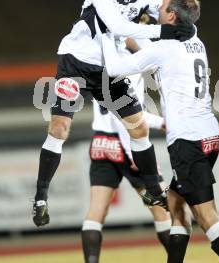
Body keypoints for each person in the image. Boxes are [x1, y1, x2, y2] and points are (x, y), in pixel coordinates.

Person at [32, 0, 193, 227]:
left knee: (139, 127)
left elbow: (170, 14)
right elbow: (119, 27)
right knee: (60, 128)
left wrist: (189, 28)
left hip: (109, 71)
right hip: (77, 63)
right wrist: (166, 31)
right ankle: (41, 197)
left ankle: (153, 191)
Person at [101, 0, 219, 263]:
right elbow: (154, 52)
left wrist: (108, 35)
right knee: (176, 206)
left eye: (162, 6)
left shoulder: (165, 47)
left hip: (187, 139)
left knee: (207, 216)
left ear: (171, 15)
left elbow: (114, 69)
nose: (157, 10)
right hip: (209, 135)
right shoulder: (195, 39)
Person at [81, 14, 171, 262]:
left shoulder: (102, 59)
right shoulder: (128, 65)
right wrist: (134, 153)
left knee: (96, 214)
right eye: (141, 27)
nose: (145, 34)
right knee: (163, 211)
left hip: (102, 143)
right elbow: (128, 117)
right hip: (126, 143)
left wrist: (160, 122)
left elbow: (128, 112)